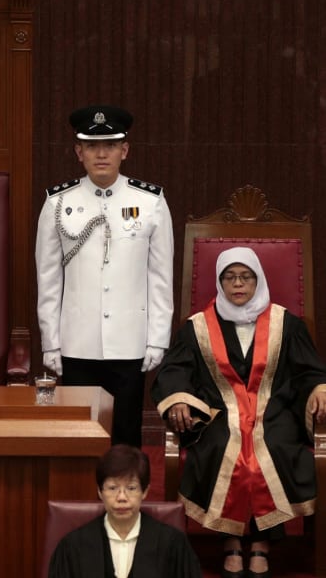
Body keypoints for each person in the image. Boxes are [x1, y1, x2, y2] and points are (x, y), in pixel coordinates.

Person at [152, 247, 326, 578]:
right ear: (219, 283)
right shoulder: (198, 327)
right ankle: (230, 541)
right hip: (220, 415)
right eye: (229, 277)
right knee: (222, 450)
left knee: (272, 450)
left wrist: (320, 390)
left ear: (257, 279)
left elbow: (309, 371)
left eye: (245, 276)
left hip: (274, 413)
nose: (238, 284)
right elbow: (174, 370)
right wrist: (178, 399)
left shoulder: (285, 323)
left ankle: (261, 544)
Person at [35, 105, 173, 446]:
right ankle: (81, 499)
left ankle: (126, 497)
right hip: (77, 341)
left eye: (110, 145)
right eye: (92, 146)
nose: (101, 153)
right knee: (81, 435)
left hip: (130, 340)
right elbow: (48, 278)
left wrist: (157, 338)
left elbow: (160, 277)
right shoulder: (58, 202)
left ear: (124, 151)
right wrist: (51, 340)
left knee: (126, 435)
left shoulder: (150, 201)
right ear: (78, 152)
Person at [49, 444, 201, 578]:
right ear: (100, 492)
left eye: (131, 488)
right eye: (113, 488)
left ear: (145, 491)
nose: (121, 497)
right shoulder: (73, 547)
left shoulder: (173, 544)